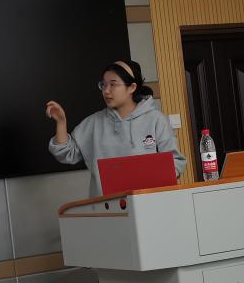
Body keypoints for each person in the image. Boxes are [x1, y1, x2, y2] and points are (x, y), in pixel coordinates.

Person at [46, 59, 186, 197]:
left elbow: (175, 162)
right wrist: (61, 122)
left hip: (148, 203)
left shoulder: (156, 120)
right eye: (103, 84)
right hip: (106, 206)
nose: (106, 91)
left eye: (113, 84)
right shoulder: (93, 123)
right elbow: (66, 153)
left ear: (132, 87)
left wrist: (150, 182)